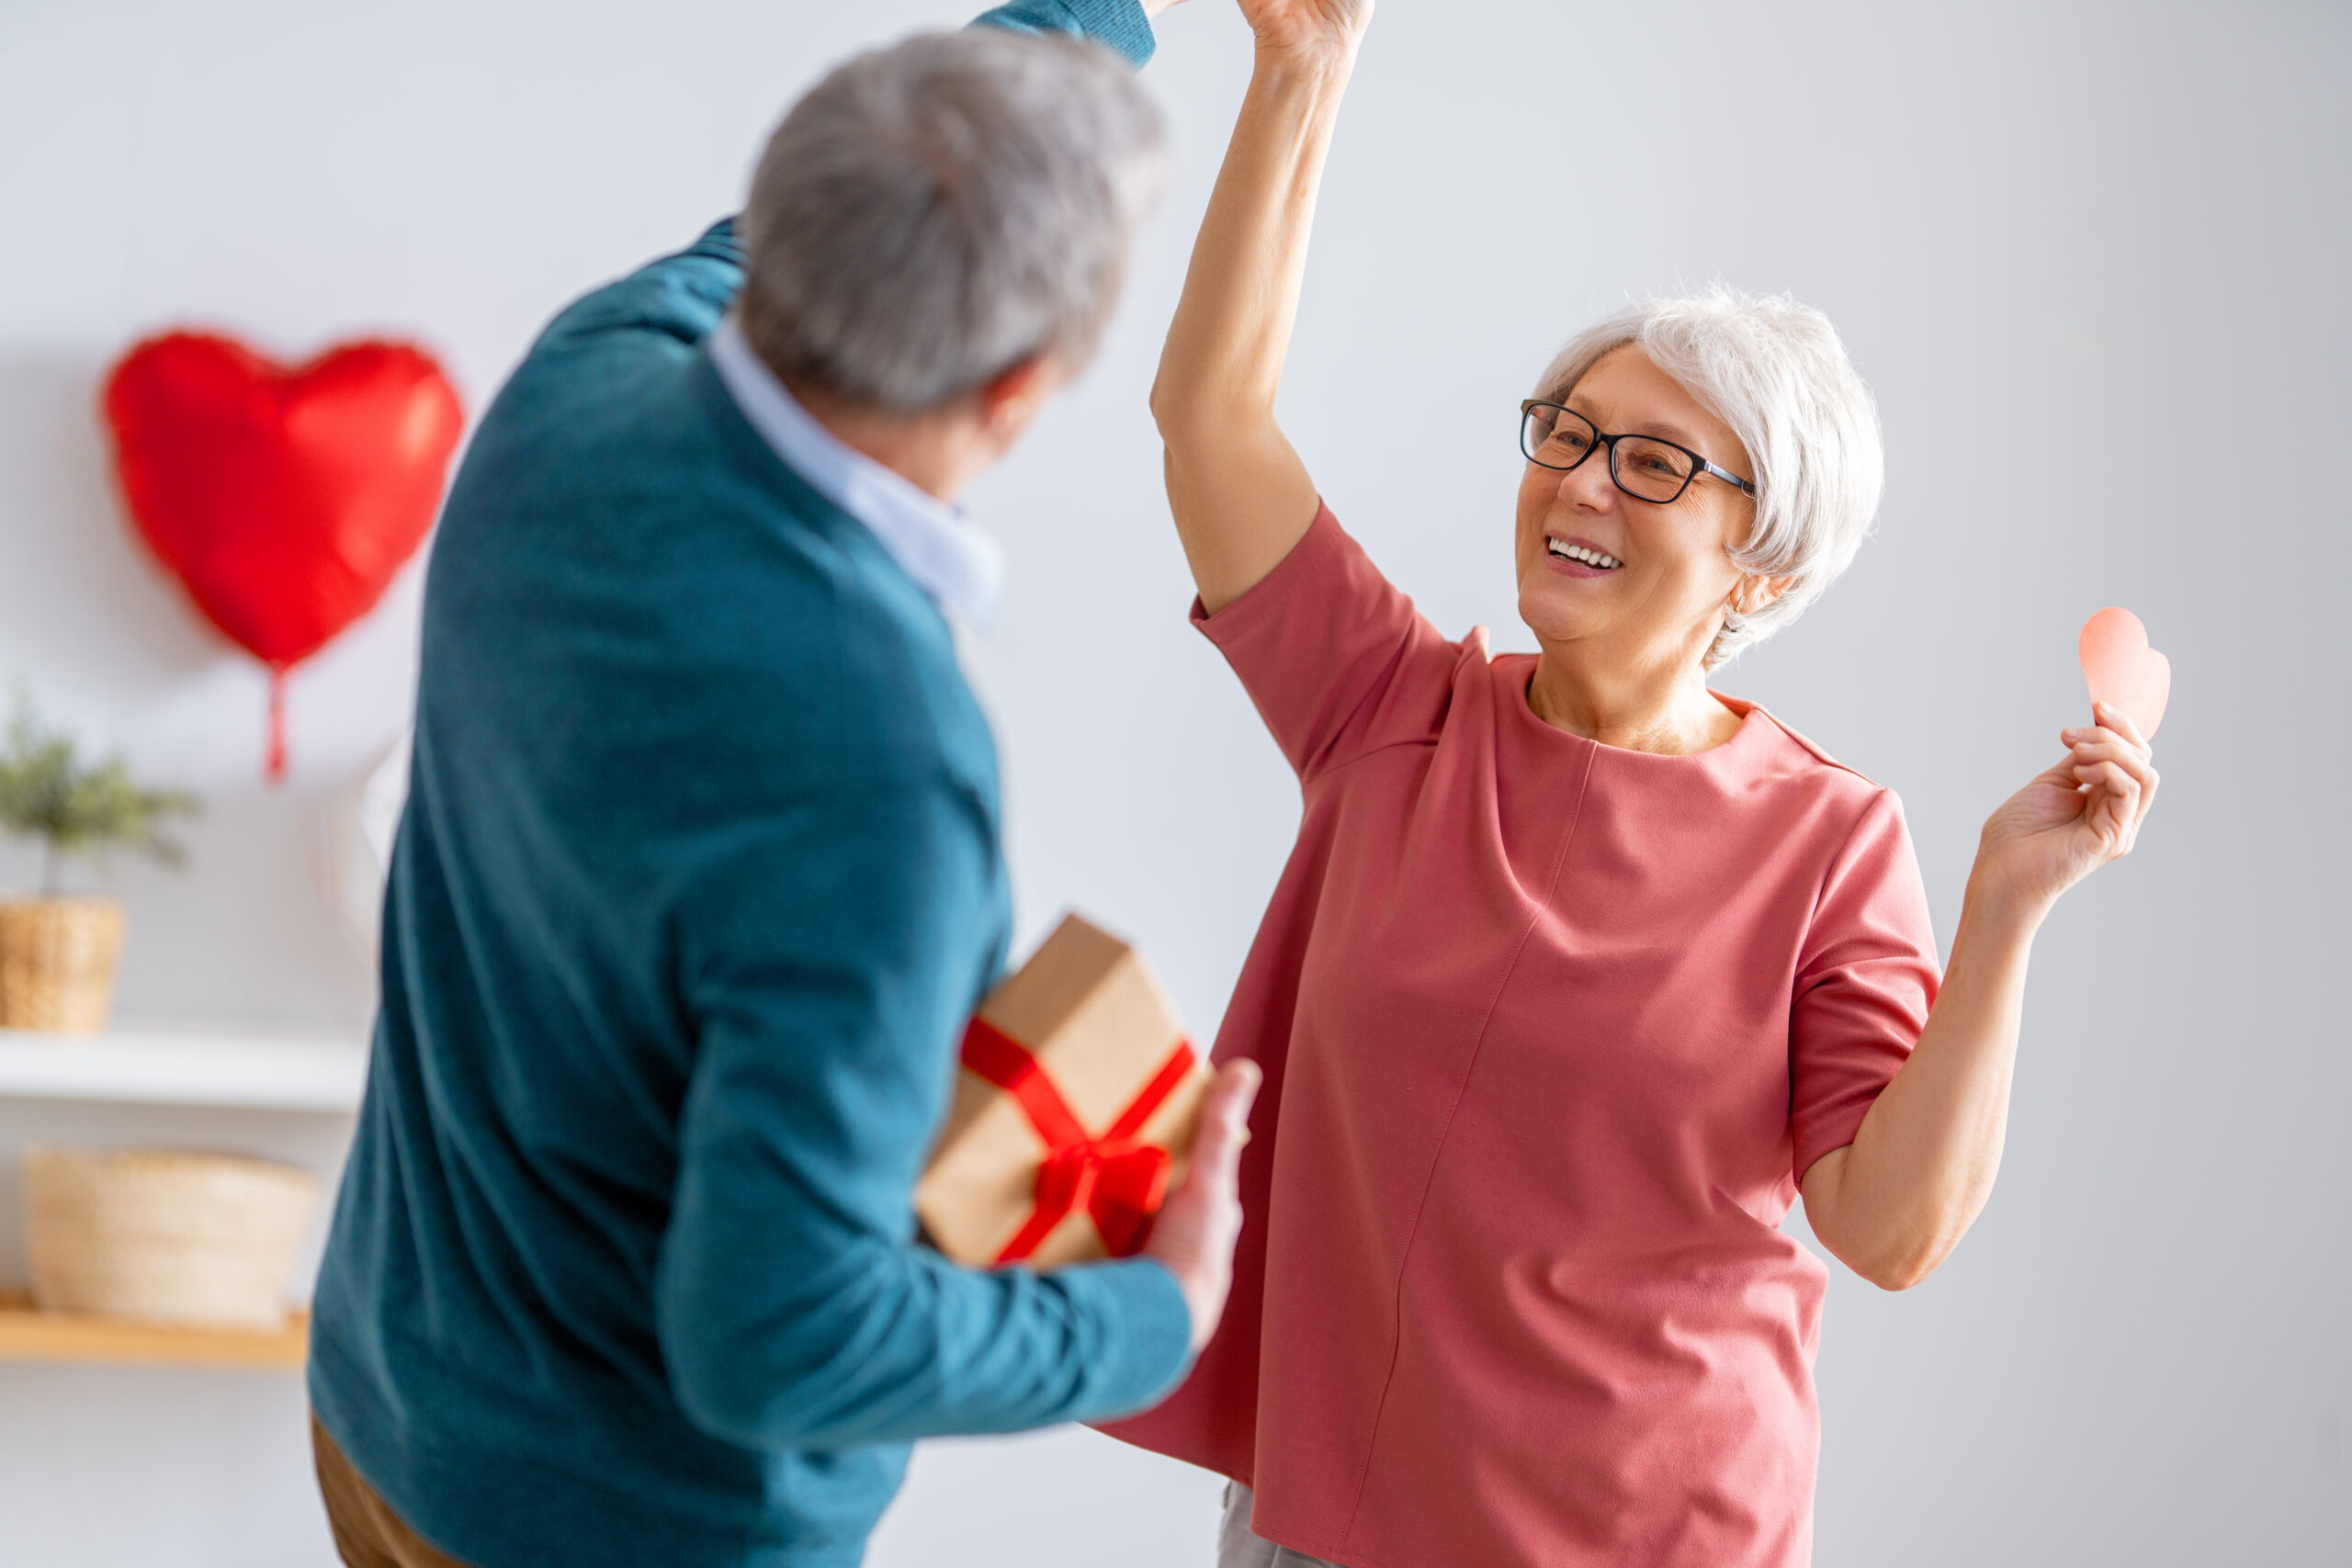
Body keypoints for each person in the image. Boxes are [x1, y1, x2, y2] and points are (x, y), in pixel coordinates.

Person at [1098, 3, 2163, 1566]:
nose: (1583, 483)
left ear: (1767, 561)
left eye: (1656, 463)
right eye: (1569, 434)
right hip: (1331, 1517)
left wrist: (2005, 910)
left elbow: (1889, 1229)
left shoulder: (1827, 838)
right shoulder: (1392, 710)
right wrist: (1300, 75)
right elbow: (1210, 422)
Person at [305, 6, 1262, 1567]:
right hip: (620, 1528)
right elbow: (776, 1339)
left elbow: (833, 215)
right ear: (1019, 391)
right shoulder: (880, 765)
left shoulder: (581, 377)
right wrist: (1153, 1320)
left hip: (389, 1410)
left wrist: (1078, 30)